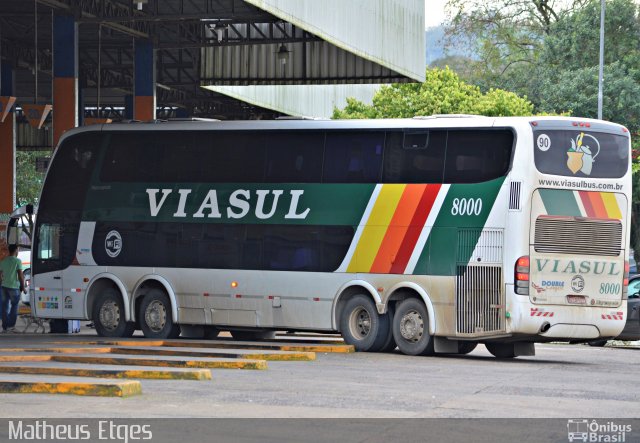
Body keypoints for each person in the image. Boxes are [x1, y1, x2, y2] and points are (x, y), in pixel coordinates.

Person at [0, 245, 26, 333]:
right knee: (14, 306)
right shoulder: (17, 261)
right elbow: (20, 275)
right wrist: (23, 287)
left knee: (4, 307)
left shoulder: (3, 261)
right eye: (18, 250)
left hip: (3, 287)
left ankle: (5, 327)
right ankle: (11, 326)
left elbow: (0, 275)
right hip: (14, 287)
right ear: (15, 251)